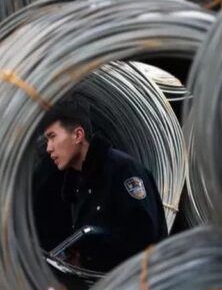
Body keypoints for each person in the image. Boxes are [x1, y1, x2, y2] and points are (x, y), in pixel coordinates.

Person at [41, 95, 168, 274]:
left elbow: (143, 238)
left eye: (52, 137)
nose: (48, 148)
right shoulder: (76, 185)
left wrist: (89, 259)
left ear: (78, 135)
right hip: (103, 286)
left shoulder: (122, 170)